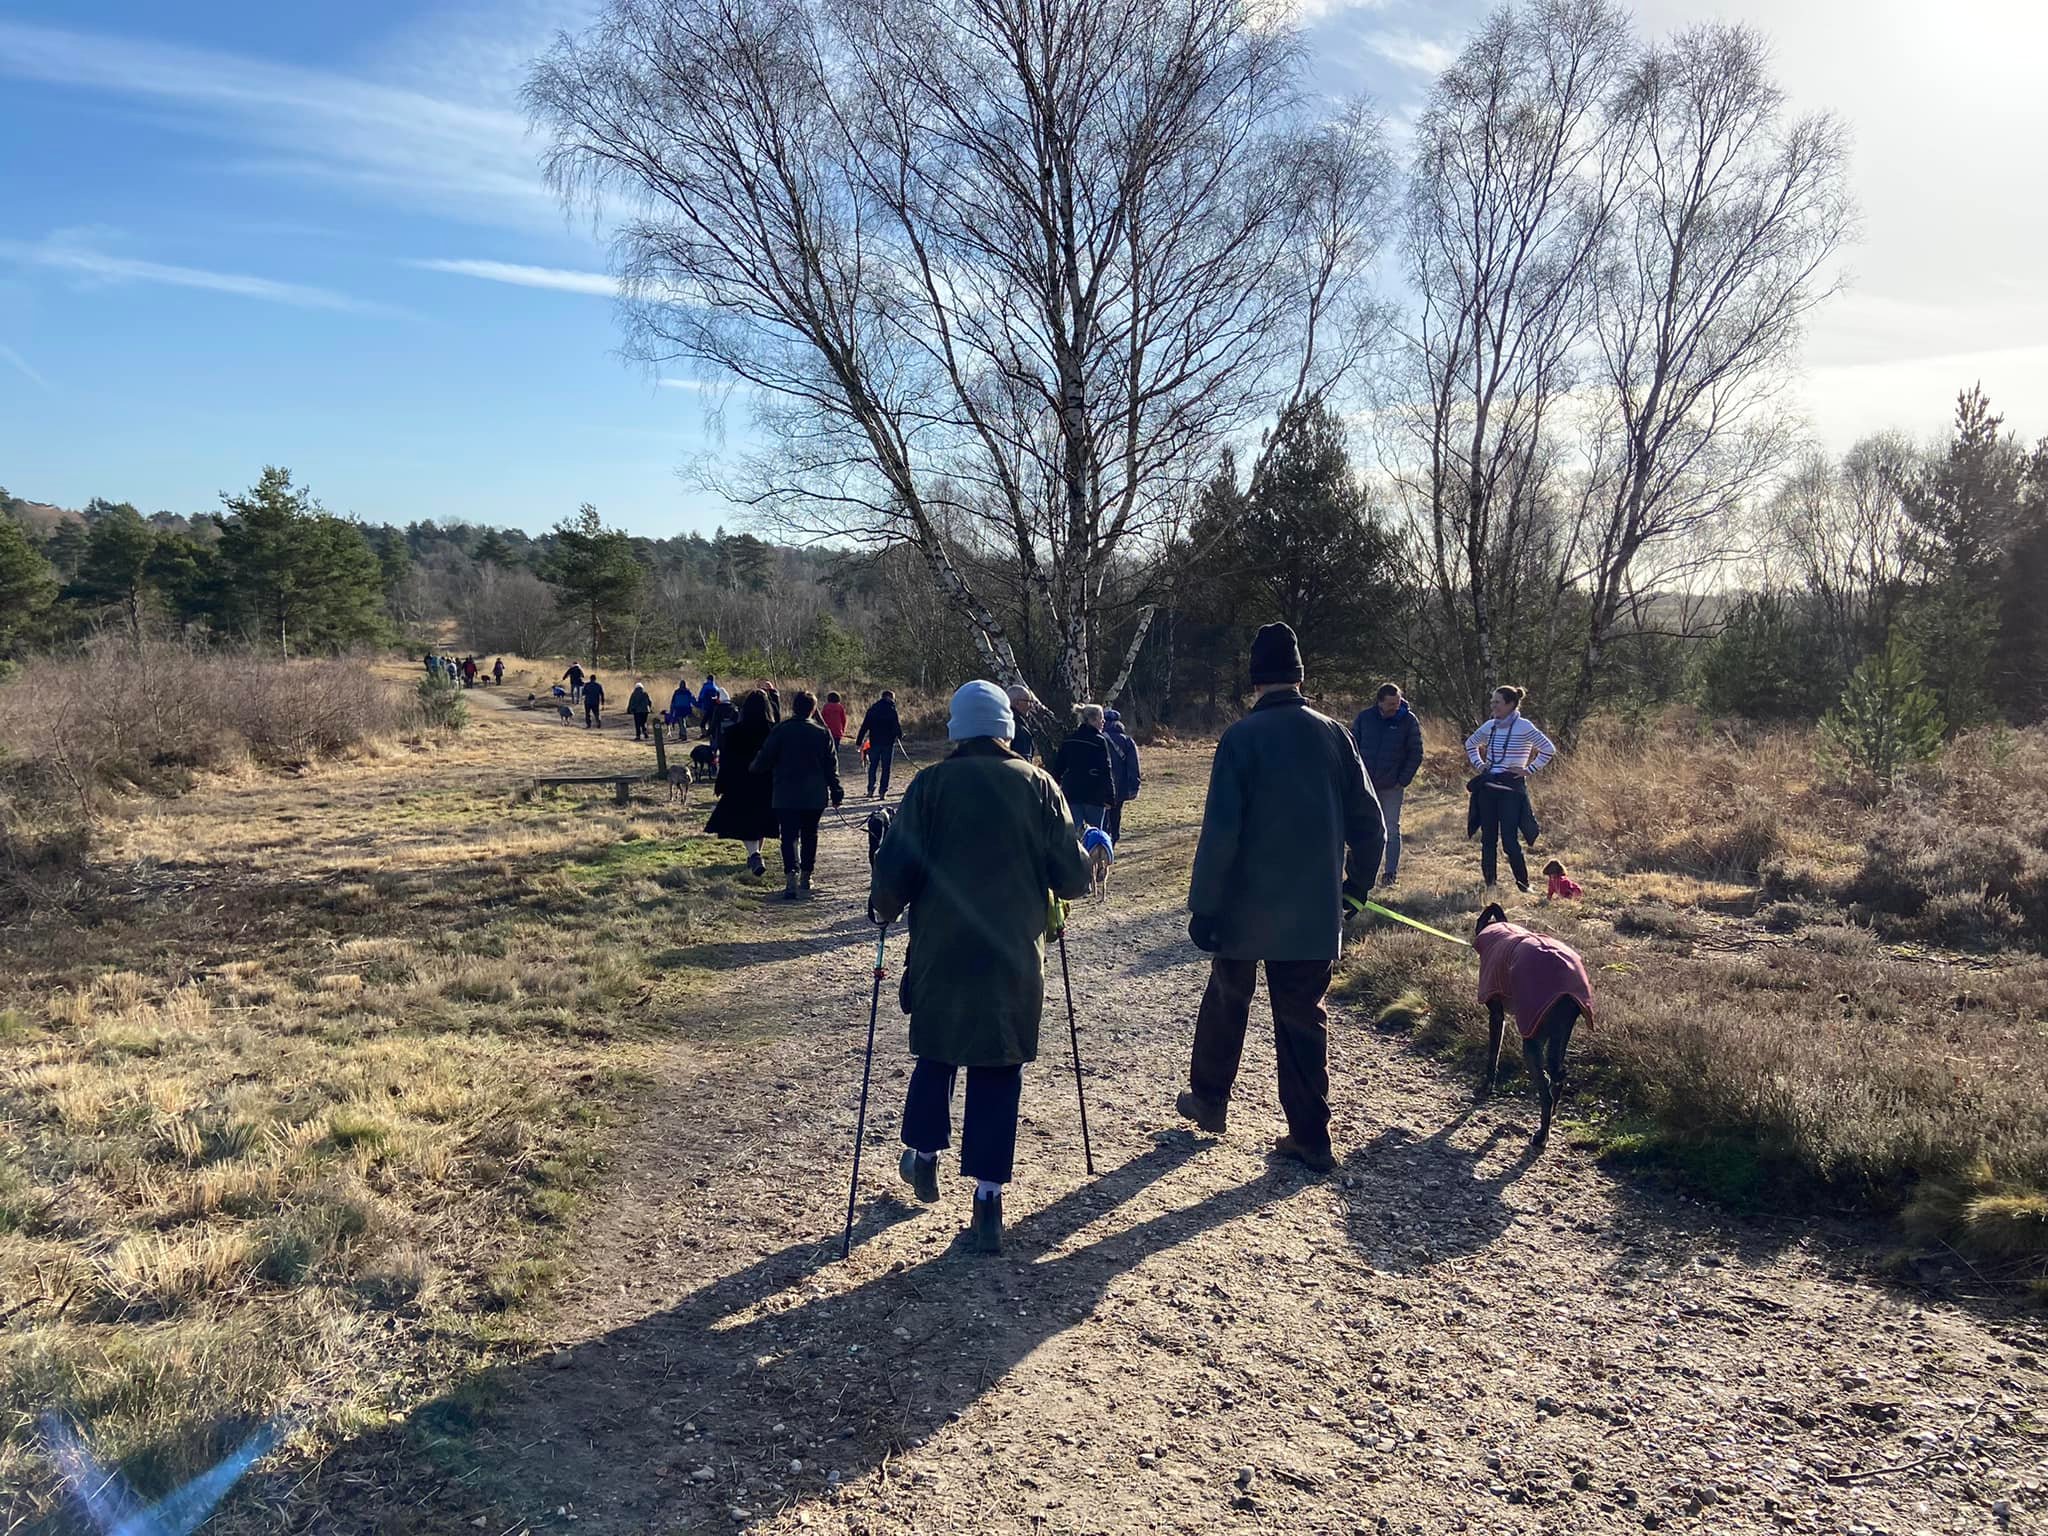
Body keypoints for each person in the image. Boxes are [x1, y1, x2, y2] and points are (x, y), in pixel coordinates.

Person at [869, 681, 1093, 1254]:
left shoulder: (930, 786)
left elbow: (896, 868)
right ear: (1006, 728)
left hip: (942, 949)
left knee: (937, 1049)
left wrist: (884, 905)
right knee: (998, 1064)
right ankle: (988, 1201)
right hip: (1014, 954)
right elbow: (1072, 878)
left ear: (955, 731)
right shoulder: (1041, 786)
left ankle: (922, 1155)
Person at [1178, 622, 1384, 1174]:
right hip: (1314, 912)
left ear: (1255, 679)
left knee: (1227, 1001)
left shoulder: (1240, 739)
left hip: (1245, 910)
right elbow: (1372, 825)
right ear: (1299, 675)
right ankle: (1311, 1138)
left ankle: (1210, 1101)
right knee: (1302, 1020)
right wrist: (1357, 889)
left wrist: (1205, 905)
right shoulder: (1335, 735)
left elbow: (1220, 832)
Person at [751, 690, 844, 899]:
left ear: (793, 707)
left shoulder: (780, 730)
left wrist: (754, 768)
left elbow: (764, 759)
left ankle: (790, 877)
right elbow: (831, 766)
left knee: (789, 836)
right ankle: (806, 875)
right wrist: (836, 791)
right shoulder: (822, 733)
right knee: (810, 834)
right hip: (814, 795)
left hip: (785, 794)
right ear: (813, 709)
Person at [1463, 685, 1555, 892]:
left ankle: (1523, 884)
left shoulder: (1524, 726)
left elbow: (1548, 749)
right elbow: (1470, 744)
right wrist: (1480, 765)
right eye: (1492, 702)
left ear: (1511, 704)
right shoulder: (1490, 726)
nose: (1493, 706)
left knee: (1510, 841)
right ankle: (1490, 884)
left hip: (1511, 791)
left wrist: (1528, 770)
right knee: (1488, 839)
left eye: (1497, 702)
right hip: (1488, 789)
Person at [1352, 683, 1425, 886]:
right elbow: (1352, 748)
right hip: (1365, 785)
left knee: (1392, 830)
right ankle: (1363, 873)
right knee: (1364, 829)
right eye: (1391, 703)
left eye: (1398, 702)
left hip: (1392, 786)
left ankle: (1390, 873)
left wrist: (1402, 780)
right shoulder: (1365, 718)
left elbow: (1416, 753)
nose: (1396, 706)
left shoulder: (1408, 721)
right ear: (1380, 702)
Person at [704, 691, 778, 876]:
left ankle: (754, 854)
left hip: (740, 783)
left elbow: (726, 760)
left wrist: (721, 782)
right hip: (766, 782)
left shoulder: (733, 733)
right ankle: (755, 854)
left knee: (746, 823)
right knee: (760, 821)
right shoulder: (773, 731)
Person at [1052, 705, 1116, 831]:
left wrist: (1055, 789)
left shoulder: (1069, 740)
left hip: (1072, 792)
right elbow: (1105, 770)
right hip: (1094, 794)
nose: (1103, 723)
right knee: (1095, 834)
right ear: (1092, 720)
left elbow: (1058, 767)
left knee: (1074, 833)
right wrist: (1110, 796)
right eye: (1101, 719)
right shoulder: (1099, 741)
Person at [1103, 707, 1142, 842]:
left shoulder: (1098, 738)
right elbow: (1133, 765)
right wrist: (1134, 786)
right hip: (1120, 786)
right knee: (1116, 813)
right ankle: (1113, 839)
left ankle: (1102, 841)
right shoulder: (1127, 741)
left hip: (1100, 785)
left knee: (1102, 815)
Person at [856, 690, 904, 799]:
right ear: (891, 697)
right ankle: (883, 791)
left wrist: (859, 741)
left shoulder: (873, 709)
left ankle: (870, 789)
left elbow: (864, 726)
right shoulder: (891, 709)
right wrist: (900, 735)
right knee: (886, 767)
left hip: (875, 742)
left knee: (873, 766)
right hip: (888, 743)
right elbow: (896, 725)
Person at [1006, 683, 1040, 761]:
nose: (1031, 706)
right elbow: (1024, 761)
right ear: (1017, 703)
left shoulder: (998, 724)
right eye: (1029, 701)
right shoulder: (1021, 730)